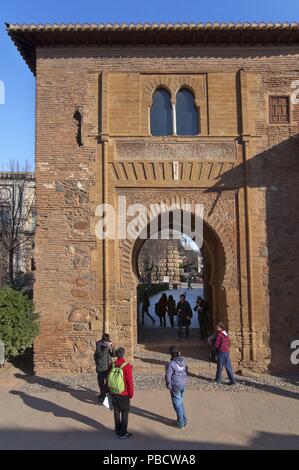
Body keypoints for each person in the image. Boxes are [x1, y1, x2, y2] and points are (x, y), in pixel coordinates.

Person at [108, 347, 134, 439]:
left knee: (116, 411)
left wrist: (109, 391)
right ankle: (123, 433)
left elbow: (108, 378)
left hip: (113, 391)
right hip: (124, 393)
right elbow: (129, 382)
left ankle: (117, 429)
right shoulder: (127, 366)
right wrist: (130, 394)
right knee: (125, 412)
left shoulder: (112, 364)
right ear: (123, 354)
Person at [165, 346, 188, 429]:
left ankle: (181, 423)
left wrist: (168, 384)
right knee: (180, 402)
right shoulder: (183, 361)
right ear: (178, 353)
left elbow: (168, 376)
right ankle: (185, 420)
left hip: (176, 385)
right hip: (183, 383)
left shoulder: (171, 364)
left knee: (177, 404)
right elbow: (186, 370)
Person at [94, 333, 115, 403]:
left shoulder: (109, 343)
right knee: (101, 382)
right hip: (101, 366)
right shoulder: (98, 344)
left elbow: (113, 355)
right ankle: (102, 394)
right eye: (106, 341)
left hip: (109, 366)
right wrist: (106, 347)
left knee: (109, 381)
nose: (107, 342)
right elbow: (100, 355)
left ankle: (108, 394)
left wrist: (112, 348)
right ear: (103, 340)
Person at [214, 321, 236, 385]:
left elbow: (217, 344)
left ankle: (218, 380)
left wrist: (215, 352)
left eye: (217, 326)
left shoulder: (219, 334)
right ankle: (233, 380)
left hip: (221, 352)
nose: (216, 327)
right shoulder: (225, 333)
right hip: (226, 351)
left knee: (219, 366)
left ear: (220, 327)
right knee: (228, 366)